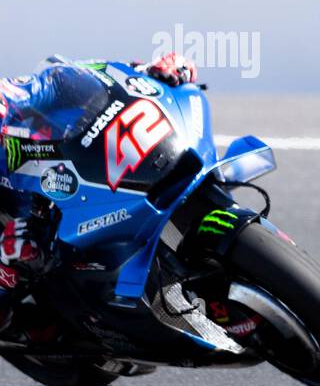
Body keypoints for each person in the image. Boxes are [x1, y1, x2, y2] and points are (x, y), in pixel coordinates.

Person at [0, 53, 196, 332]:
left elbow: (84, 76)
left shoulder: (18, 95)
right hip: (46, 238)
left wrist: (148, 72)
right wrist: (6, 263)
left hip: (98, 171)